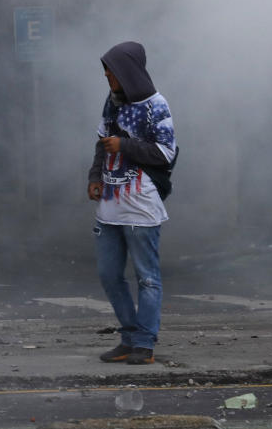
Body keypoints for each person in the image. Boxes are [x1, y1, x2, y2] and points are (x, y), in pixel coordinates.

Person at [87, 41, 177, 365]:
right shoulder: (111, 103)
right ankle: (127, 337)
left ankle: (144, 343)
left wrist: (123, 145)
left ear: (127, 72)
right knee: (109, 274)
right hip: (110, 206)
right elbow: (101, 144)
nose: (108, 76)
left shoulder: (156, 105)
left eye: (112, 71)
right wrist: (94, 178)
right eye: (106, 71)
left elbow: (166, 152)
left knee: (147, 277)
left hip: (141, 206)